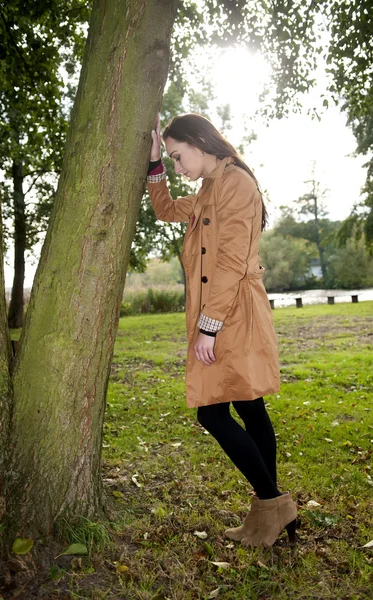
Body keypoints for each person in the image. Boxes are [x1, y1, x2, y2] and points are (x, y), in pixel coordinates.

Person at [146, 113, 297, 547]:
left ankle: (274, 505)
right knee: (250, 409)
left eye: (177, 157)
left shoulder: (237, 184)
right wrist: (155, 163)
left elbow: (230, 262)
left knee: (213, 412)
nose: (178, 167)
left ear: (199, 142)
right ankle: (269, 512)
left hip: (234, 314)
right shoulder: (210, 188)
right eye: (172, 160)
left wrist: (208, 328)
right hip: (222, 311)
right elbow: (165, 210)